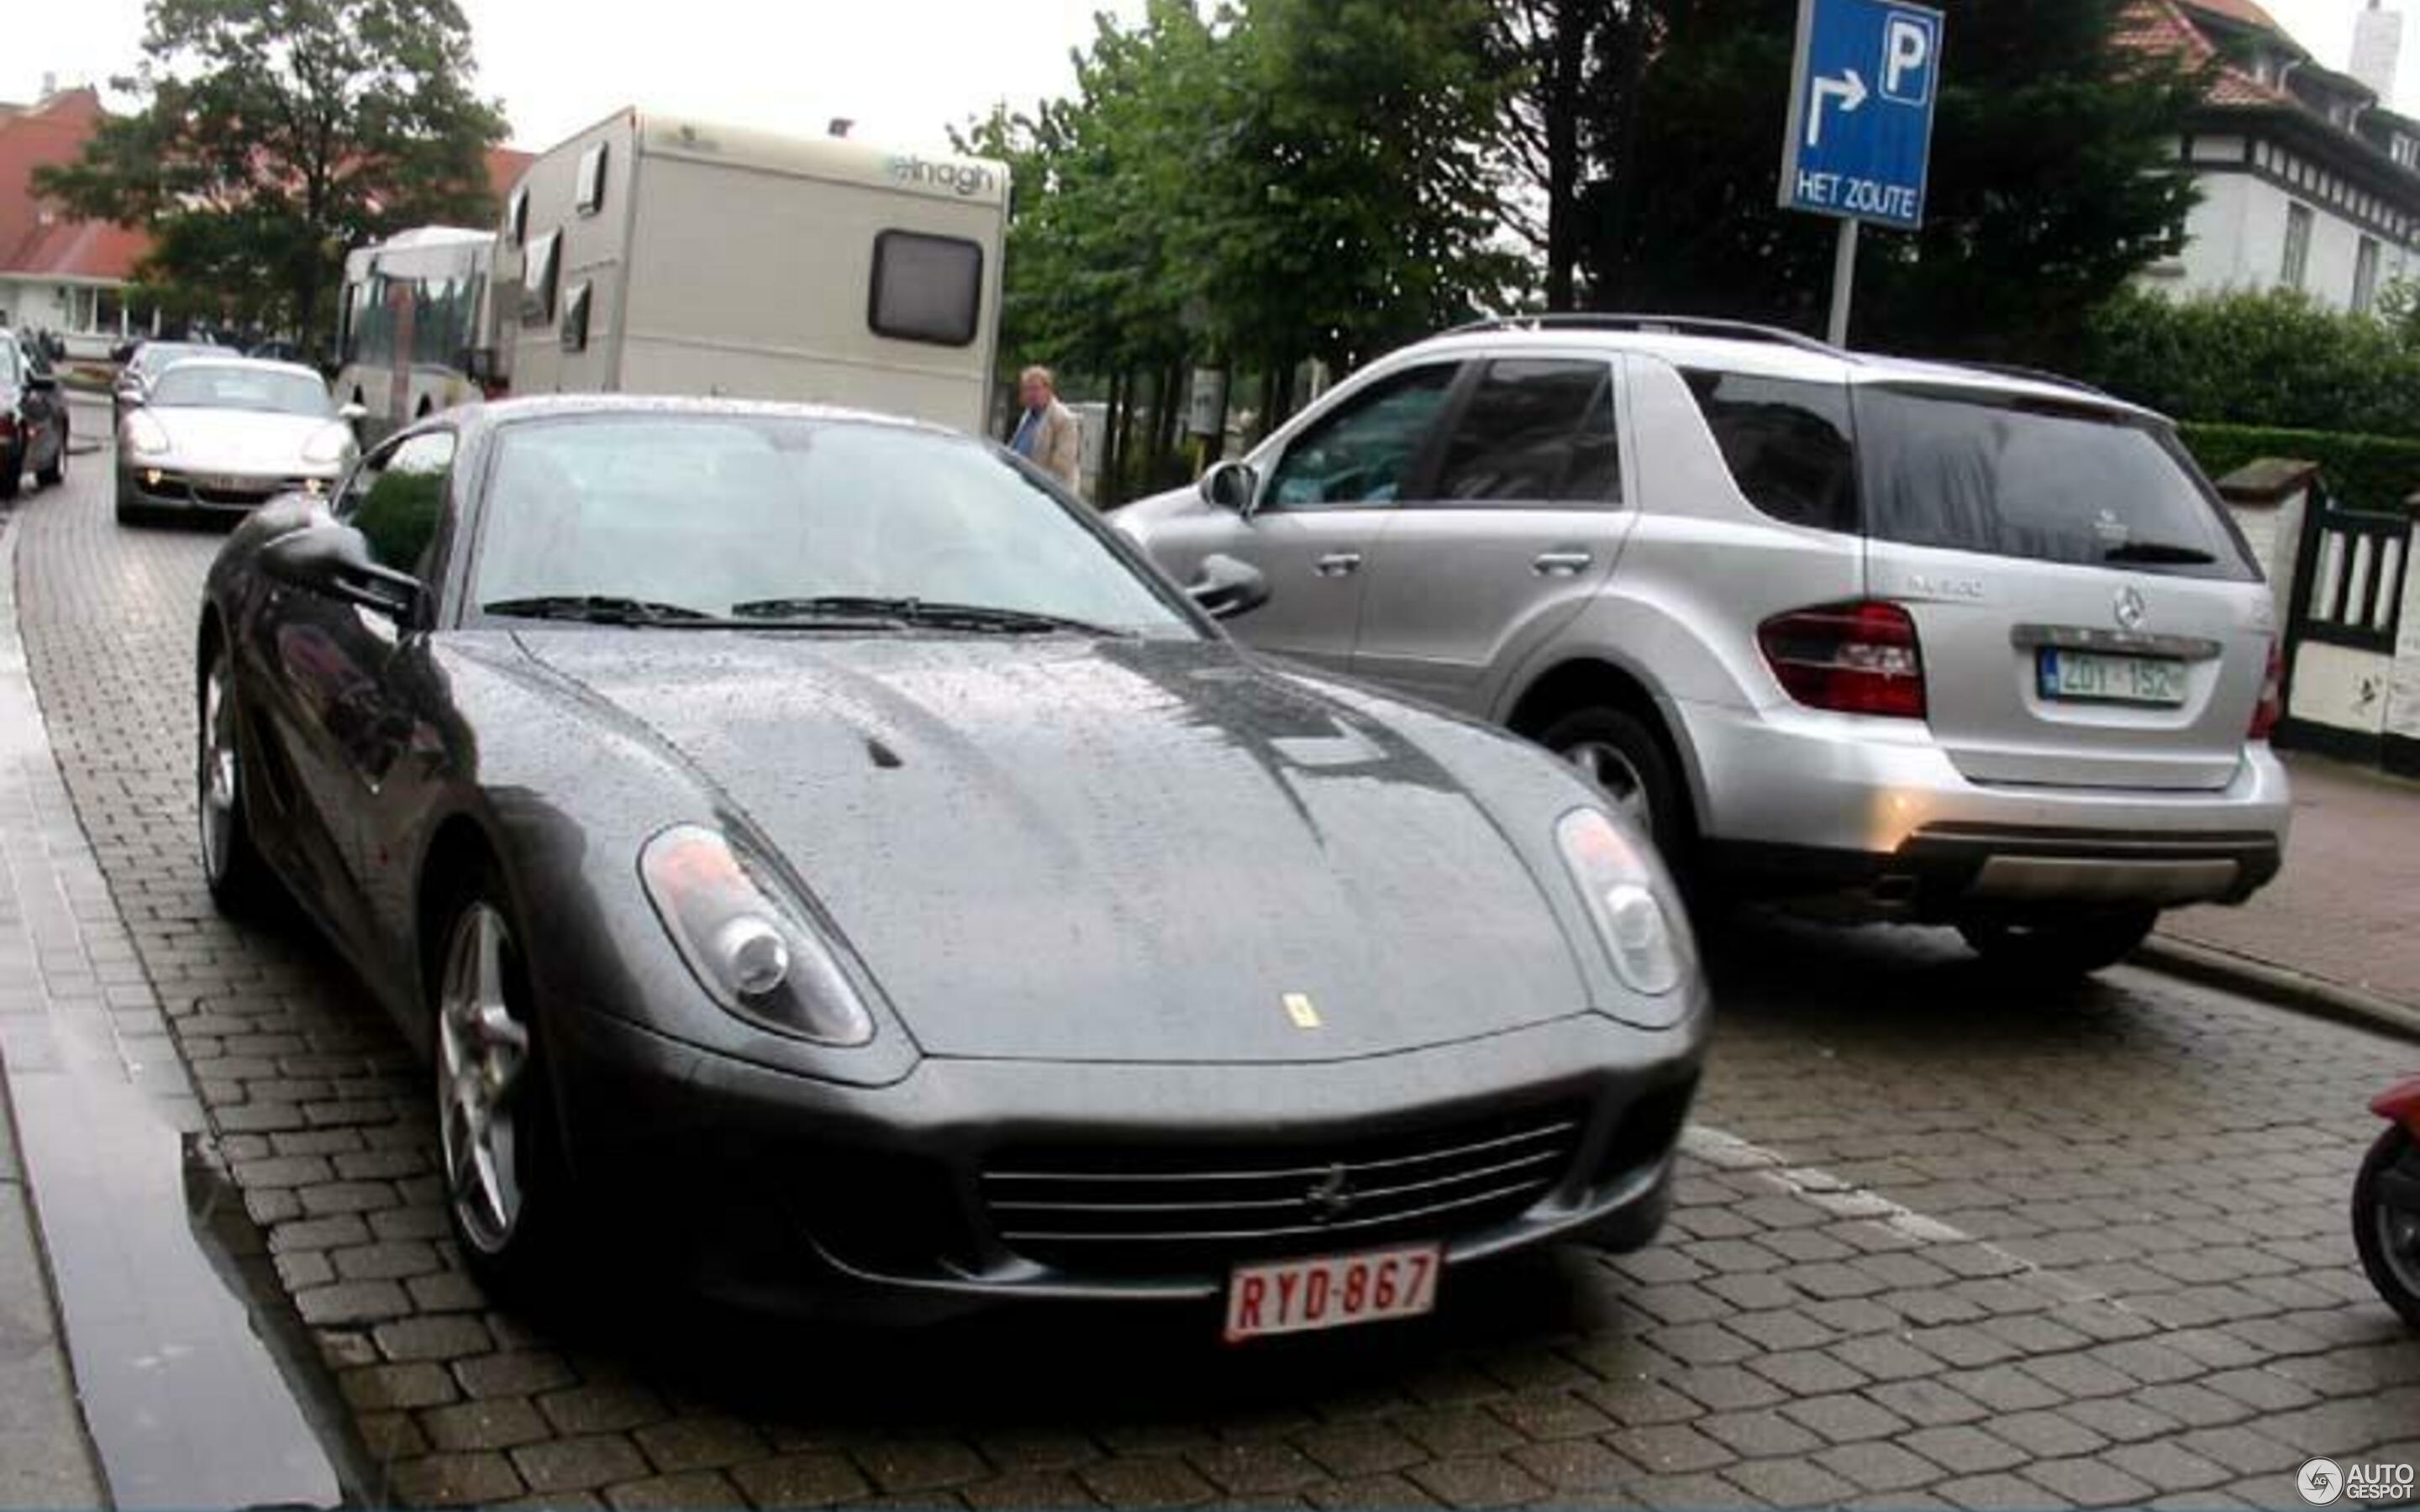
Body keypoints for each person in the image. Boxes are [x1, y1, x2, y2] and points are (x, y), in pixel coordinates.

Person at [1007, 365, 1083, 499]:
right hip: (1021, 490)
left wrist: (1032, 486)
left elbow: (1061, 468)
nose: (1031, 394)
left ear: (1049, 390)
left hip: (1050, 498)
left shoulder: (1064, 419)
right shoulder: (1028, 415)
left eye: (1035, 389)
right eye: (1027, 389)